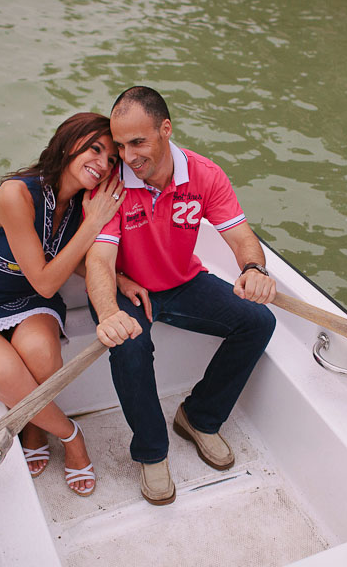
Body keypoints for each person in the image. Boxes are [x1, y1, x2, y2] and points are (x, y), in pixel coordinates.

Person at [85, 86, 277, 505]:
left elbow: (241, 236)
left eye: (138, 142)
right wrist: (107, 314)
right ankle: (152, 452)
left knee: (259, 321)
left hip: (182, 281)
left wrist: (254, 269)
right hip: (130, 286)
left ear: (165, 129)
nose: (129, 155)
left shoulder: (205, 174)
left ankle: (199, 418)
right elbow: (99, 261)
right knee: (130, 345)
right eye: (120, 145)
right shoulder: (112, 185)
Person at [0, 112, 125, 496]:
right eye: (95, 149)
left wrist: (120, 279)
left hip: (26, 302)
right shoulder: (16, 193)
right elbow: (44, 281)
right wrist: (93, 225)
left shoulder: (79, 204)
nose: (102, 164)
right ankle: (70, 436)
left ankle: (32, 422)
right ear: (67, 142)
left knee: (42, 357)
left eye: (111, 160)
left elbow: (67, 261)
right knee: (8, 373)